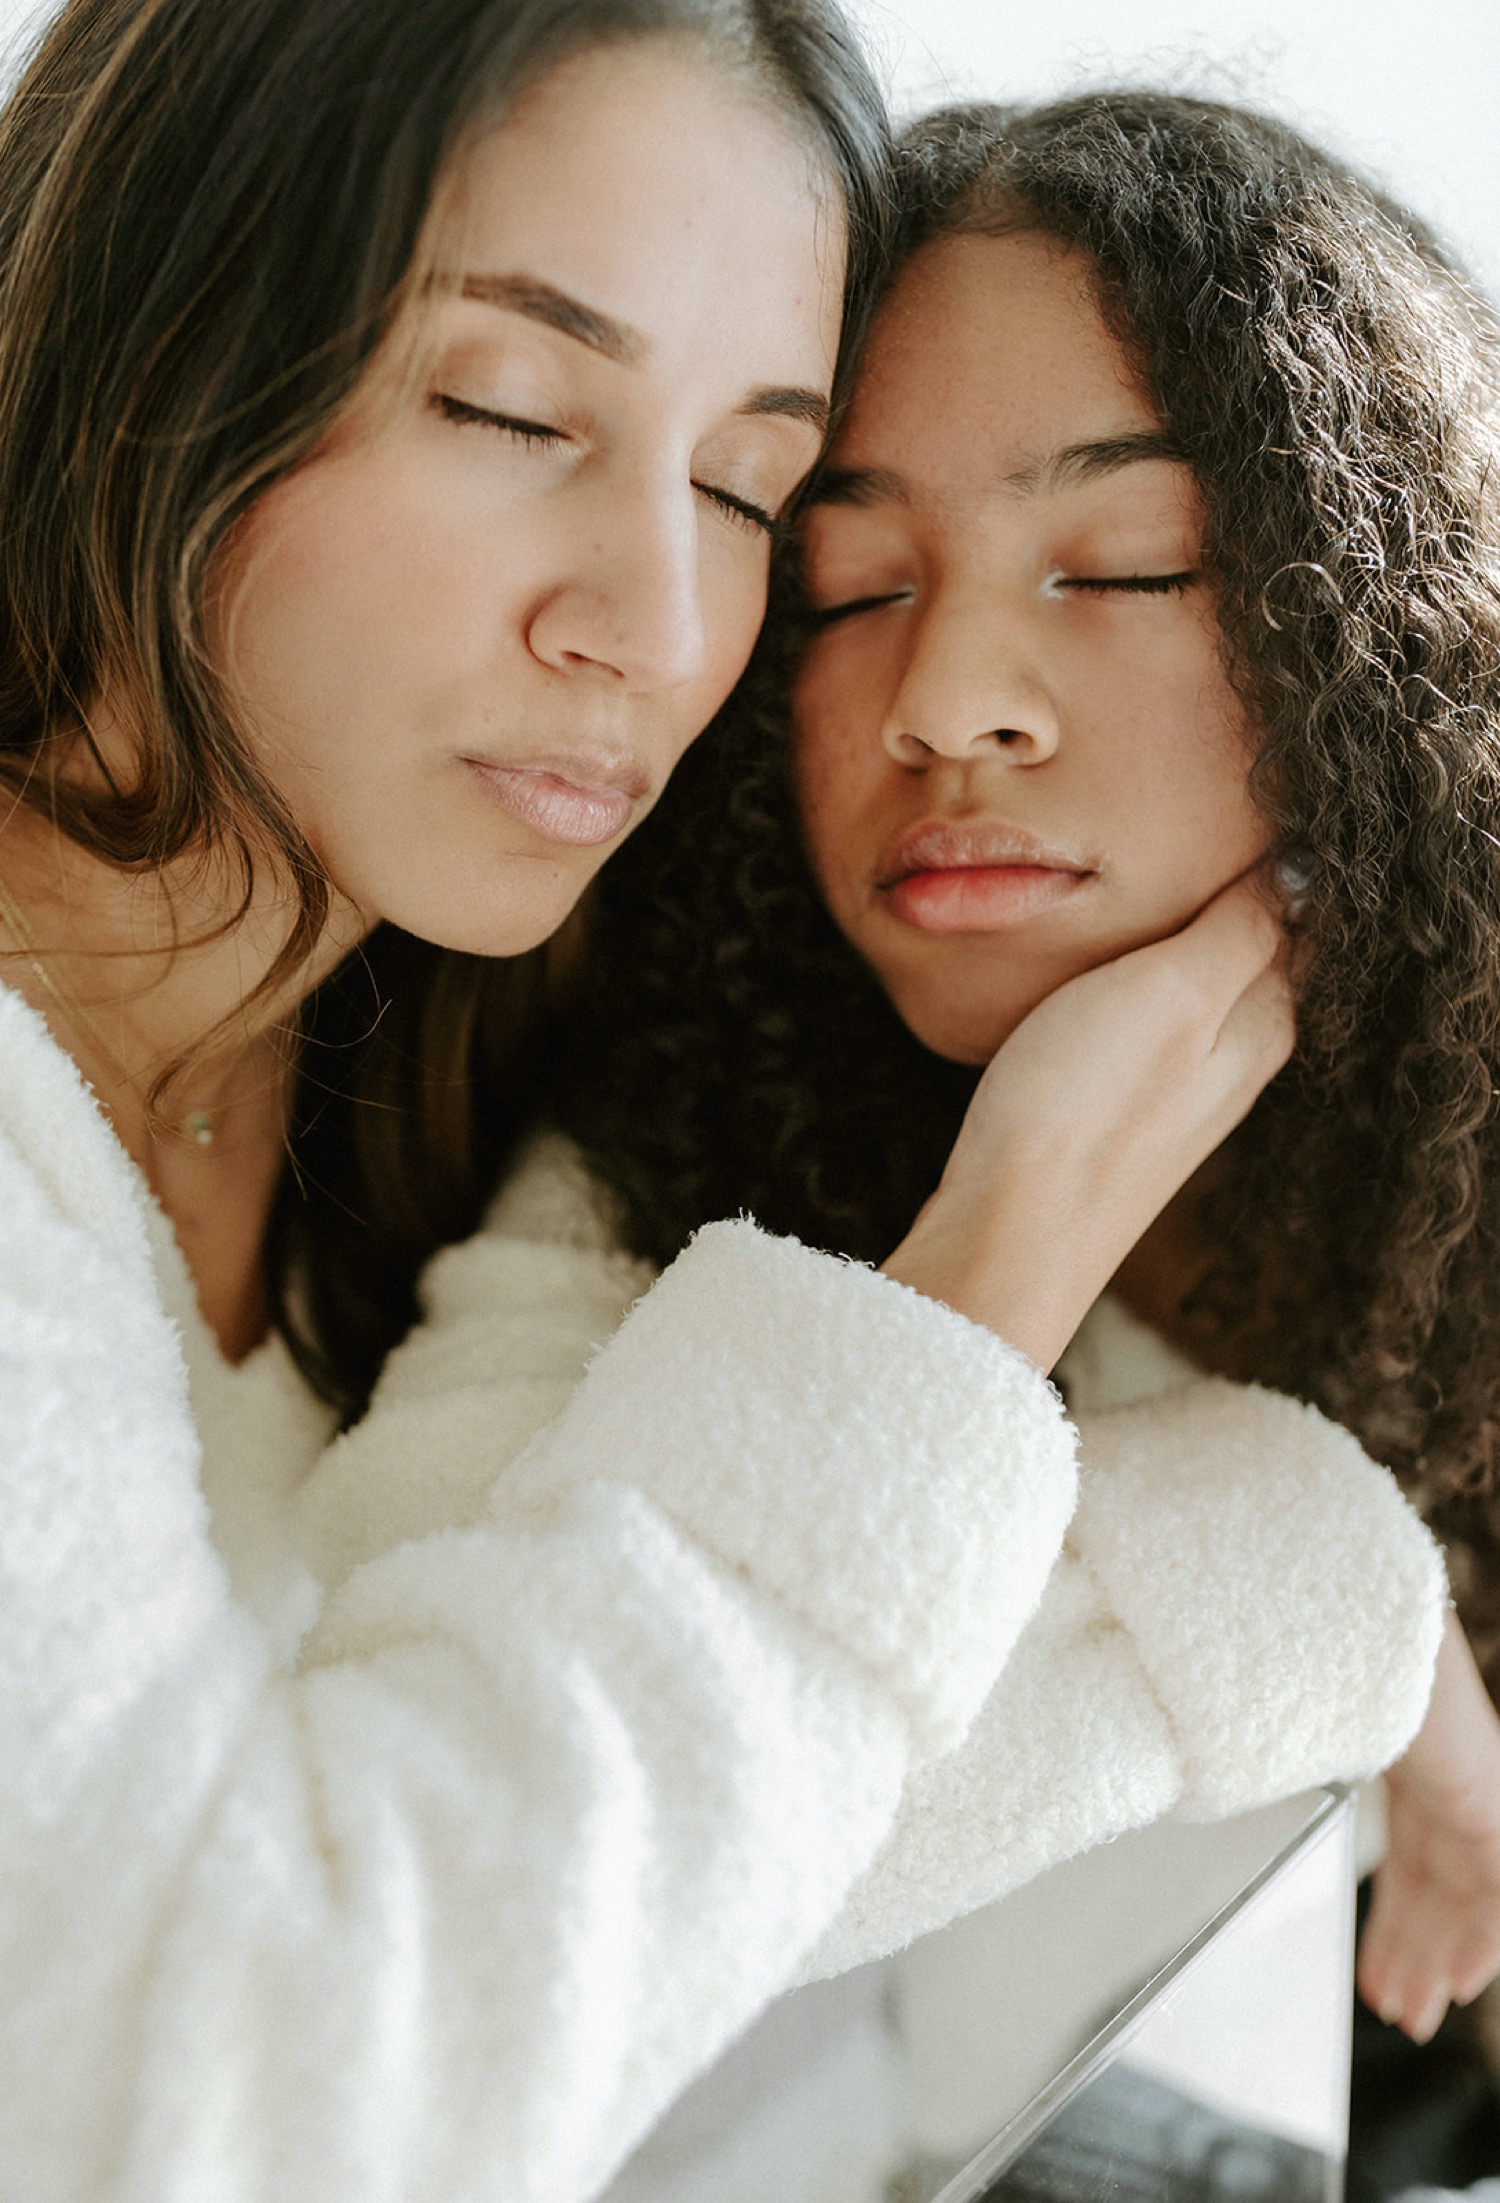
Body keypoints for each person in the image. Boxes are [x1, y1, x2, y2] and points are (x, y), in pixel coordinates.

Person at [0, 9, 1438, 2202]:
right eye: (508, 407)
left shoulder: (460, 1046)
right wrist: (1008, 1281)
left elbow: (628, 1885)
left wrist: (1322, 1580)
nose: (664, 625)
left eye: (750, 494)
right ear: (155, 332)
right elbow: (247, 2114)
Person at [544, 86, 1500, 2182]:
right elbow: (557, 1932)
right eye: (855, 585)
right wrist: (1016, 1238)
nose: (952, 697)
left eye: (1126, 563)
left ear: (1380, 622)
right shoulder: (645, 1141)